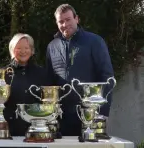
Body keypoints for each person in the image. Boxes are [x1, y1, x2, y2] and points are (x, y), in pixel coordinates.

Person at [46, 4, 114, 136]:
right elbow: (50, 80)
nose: (65, 24)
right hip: (61, 116)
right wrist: (50, 114)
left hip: (90, 113)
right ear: (56, 23)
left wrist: (103, 113)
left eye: (68, 19)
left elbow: (107, 77)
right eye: (61, 21)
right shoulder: (51, 46)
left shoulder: (95, 41)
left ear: (77, 19)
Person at [0, 33, 51, 136]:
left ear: (32, 50)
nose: (23, 51)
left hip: (35, 129)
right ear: (12, 50)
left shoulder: (42, 74)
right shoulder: (2, 74)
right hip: (8, 129)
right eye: (19, 48)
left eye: (26, 48)